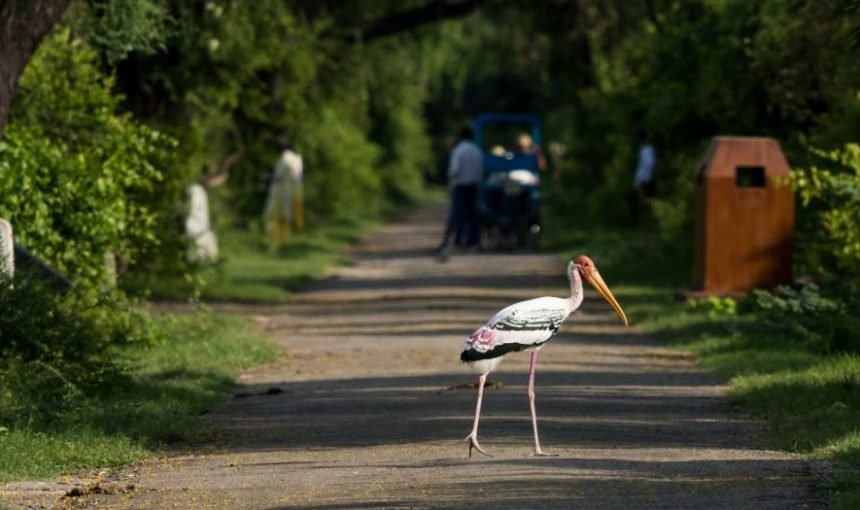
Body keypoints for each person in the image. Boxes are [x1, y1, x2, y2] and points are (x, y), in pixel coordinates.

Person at [438, 127, 483, 259]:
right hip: (473, 186)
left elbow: (454, 170)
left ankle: (450, 242)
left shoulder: (459, 150)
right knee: (472, 214)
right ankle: (472, 241)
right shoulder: (477, 151)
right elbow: (480, 171)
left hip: (460, 185)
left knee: (456, 215)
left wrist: (451, 183)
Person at [263, 138, 304, 246]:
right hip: (290, 189)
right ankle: (283, 239)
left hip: (281, 188)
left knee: (274, 214)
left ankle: (275, 239)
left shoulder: (286, 158)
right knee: (284, 215)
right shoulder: (296, 158)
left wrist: (271, 173)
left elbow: (280, 175)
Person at [632, 130, 656, 221]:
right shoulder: (643, 150)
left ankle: (647, 221)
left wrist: (640, 179)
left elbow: (648, 165)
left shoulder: (647, 150)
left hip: (645, 180)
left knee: (646, 202)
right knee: (644, 201)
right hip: (644, 179)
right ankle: (645, 222)